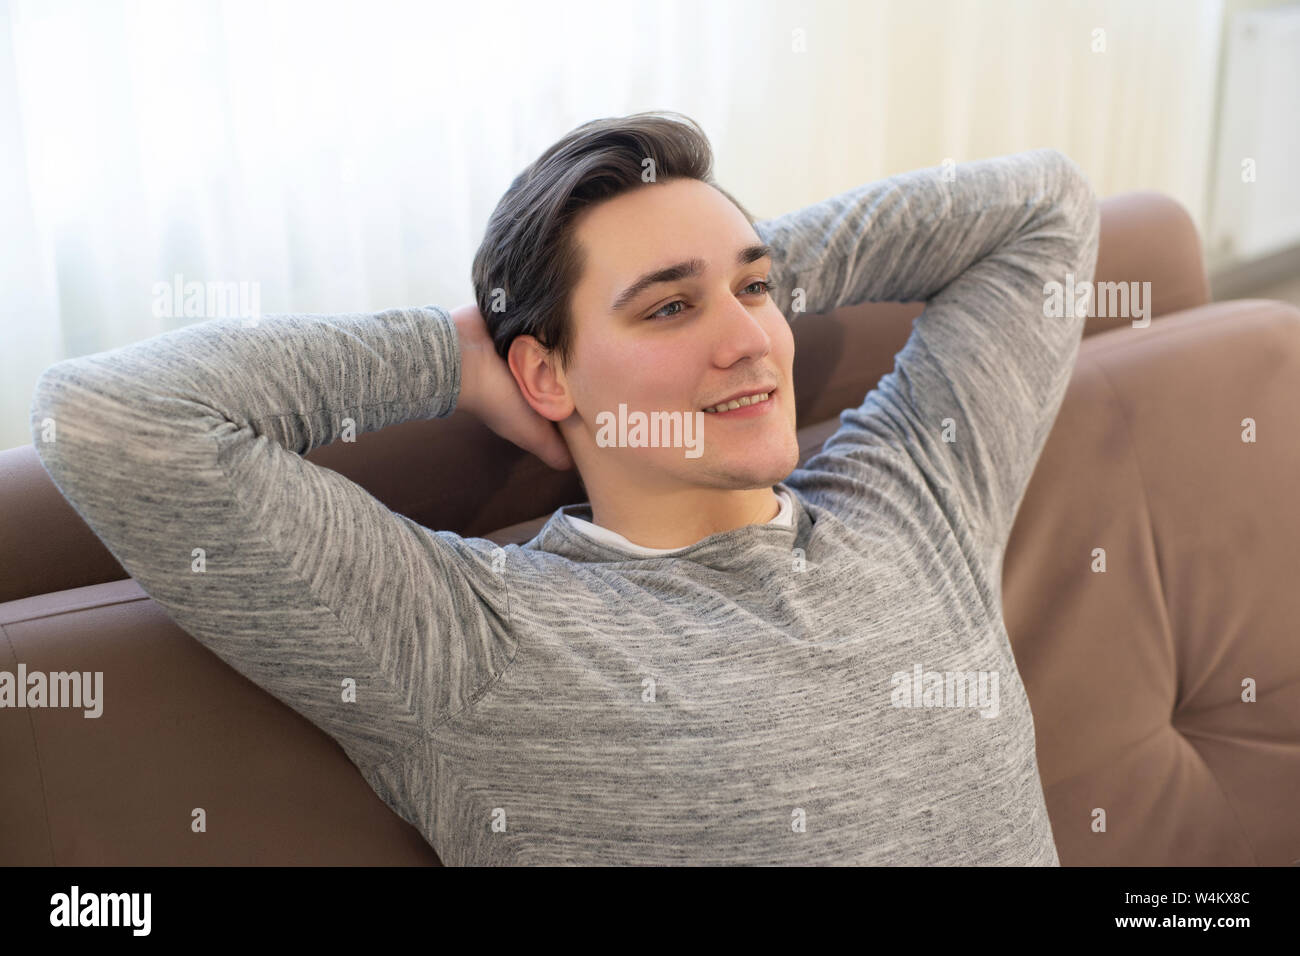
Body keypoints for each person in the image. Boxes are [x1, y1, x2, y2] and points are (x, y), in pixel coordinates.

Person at [30, 110, 1101, 865]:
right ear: (543, 373)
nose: (751, 342)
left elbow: (1045, 210)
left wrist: (726, 263)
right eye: (668, 310)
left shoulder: (917, 491)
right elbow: (110, 420)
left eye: (759, 290)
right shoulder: (475, 642)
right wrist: (449, 354)